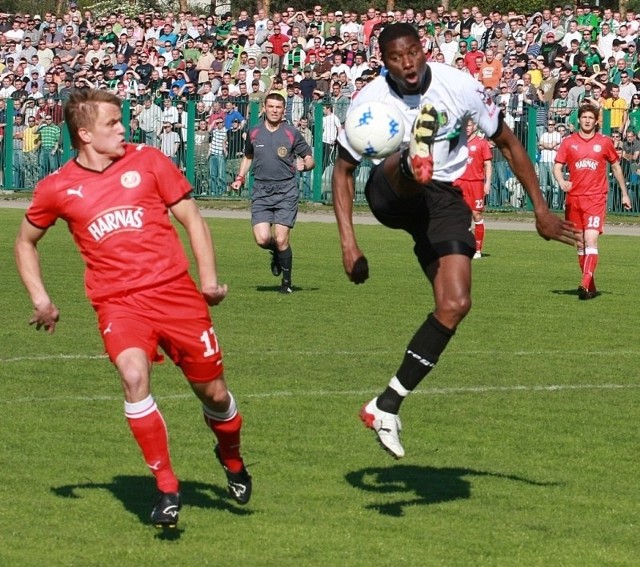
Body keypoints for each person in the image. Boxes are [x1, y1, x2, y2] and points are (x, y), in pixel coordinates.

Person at [331, 24, 581, 459]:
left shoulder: (460, 86)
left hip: (444, 199)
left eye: (412, 53)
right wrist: (348, 243)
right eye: (395, 57)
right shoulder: (369, 100)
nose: (407, 64)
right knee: (399, 162)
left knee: (455, 304)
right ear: (383, 61)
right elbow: (343, 171)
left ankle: (386, 405)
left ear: (423, 50)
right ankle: (414, 159)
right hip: (391, 191)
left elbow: (506, 141)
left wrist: (540, 208)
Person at [14, 89, 252, 529]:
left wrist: (208, 278)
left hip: (177, 296)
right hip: (118, 303)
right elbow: (25, 241)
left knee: (214, 395)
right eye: (112, 123)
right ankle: (166, 487)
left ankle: (232, 459)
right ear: (84, 134)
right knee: (133, 376)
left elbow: (192, 217)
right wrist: (40, 298)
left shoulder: (148, 161)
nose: (124, 129)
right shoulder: (57, 188)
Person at [230, 93, 314, 294]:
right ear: (265, 108)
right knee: (262, 239)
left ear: (283, 110)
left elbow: (309, 158)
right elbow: (248, 156)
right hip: (261, 190)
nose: (275, 110)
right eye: (271, 106)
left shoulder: (292, 133)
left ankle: (286, 284)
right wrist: (240, 177)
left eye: (278, 107)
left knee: (282, 237)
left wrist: (306, 165)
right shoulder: (255, 132)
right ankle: (276, 252)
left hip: (286, 191)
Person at [553, 103, 632, 300]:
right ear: (579, 120)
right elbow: (557, 167)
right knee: (580, 244)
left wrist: (624, 193)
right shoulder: (568, 142)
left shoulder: (604, 142)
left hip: (596, 198)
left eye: (591, 117)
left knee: (590, 240)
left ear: (596, 121)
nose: (587, 120)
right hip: (574, 199)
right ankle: (590, 288)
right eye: (584, 117)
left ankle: (584, 281)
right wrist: (562, 181)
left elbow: (616, 168)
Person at [453, 121, 492, 258]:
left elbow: (487, 164)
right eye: (465, 126)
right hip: (460, 182)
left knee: (477, 214)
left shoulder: (481, 143)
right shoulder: (458, 141)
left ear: (474, 126)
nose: (467, 128)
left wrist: (487, 183)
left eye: (469, 125)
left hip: (476, 183)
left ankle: (478, 249)